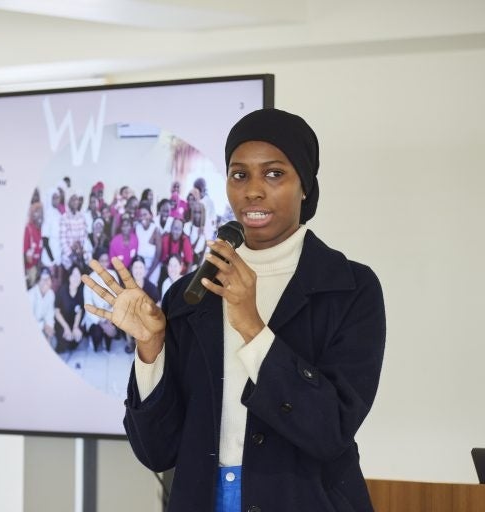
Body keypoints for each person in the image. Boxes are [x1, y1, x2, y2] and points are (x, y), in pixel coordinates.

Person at [81, 108, 386, 512]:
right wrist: (151, 348)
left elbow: (330, 430)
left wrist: (252, 327)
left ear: (305, 186)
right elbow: (157, 452)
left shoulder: (350, 288)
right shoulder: (190, 295)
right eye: (239, 174)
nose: (253, 191)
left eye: (274, 173)